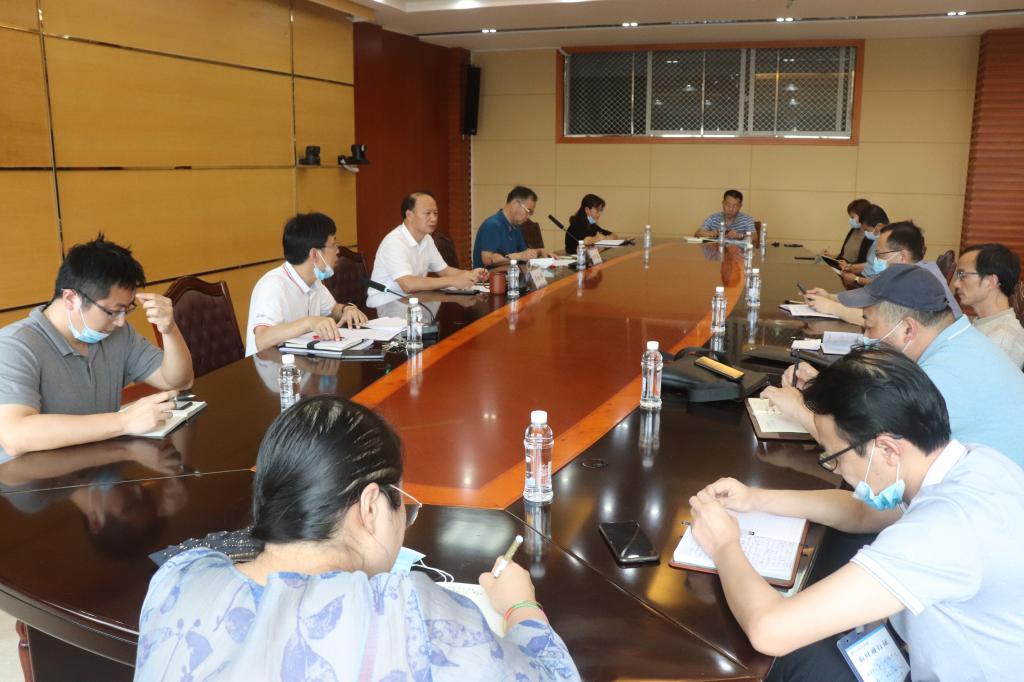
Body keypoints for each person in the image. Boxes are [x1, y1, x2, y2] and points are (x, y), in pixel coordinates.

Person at [135, 396, 580, 680]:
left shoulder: (179, 578)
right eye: (402, 502)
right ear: (370, 507)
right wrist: (521, 607)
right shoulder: (407, 611)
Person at [690, 349, 1024, 681]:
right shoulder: (972, 462)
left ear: (887, 449)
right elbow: (862, 513)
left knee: (784, 658)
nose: (836, 469)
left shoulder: (946, 528)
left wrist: (724, 545)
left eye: (834, 456)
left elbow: (770, 630)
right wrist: (755, 499)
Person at [766, 264, 1024, 468]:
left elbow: (867, 455)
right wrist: (821, 387)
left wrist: (800, 408)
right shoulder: (959, 342)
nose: (865, 337)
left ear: (908, 329)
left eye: (869, 326)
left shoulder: (943, 373)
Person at [0, 235, 194, 460]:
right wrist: (125, 421)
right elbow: (15, 435)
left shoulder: (115, 333)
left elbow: (178, 381)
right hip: (33, 477)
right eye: (112, 311)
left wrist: (170, 330)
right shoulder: (15, 345)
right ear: (71, 299)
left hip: (98, 466)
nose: (120, 321)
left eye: (126, 310)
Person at [245, 213, 367, 356]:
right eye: (334, 245)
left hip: (301, 360)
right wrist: (309, 323)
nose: (338, 251)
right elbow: (262, 339)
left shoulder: (314, 281)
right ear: (314, 254)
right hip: (271, 365)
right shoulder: (273, 285)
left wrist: (347, 309)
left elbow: (332, 309)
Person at [805, 221, 962, 324]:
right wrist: (829, 297)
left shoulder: (918, 281)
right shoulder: (903, 274)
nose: (876, 260)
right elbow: (870, 297)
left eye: (880, 254)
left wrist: (831, 307)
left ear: (902, 256)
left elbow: (880, 322)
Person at [367, 191, 488, 308]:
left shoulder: (427, 239)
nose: (433, 218)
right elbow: (408, 284)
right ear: (409, 215)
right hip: (386, 305)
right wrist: (453, 281)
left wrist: (470, 275)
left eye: (435, 213)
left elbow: (444, 271)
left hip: (413, 302)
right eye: (428, 213)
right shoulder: (395, 242)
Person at [953, 243, 1024, 367]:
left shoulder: (1002, 339)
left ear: (990, 282)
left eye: (963, 275)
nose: (956, 284)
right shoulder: (985, 323)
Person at [473, 186, 555, 268]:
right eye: (528, 211)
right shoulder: (492, 225)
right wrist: (519, 256)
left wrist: (540, 251)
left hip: (511, 273)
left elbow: (524, 253)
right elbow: (487, 259)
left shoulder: (515, 226)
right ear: (515, 204)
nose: (528, 217)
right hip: (491, 275)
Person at [839, 204, 888, 286]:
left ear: (879, 226)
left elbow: (882, 283)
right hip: (865, 282)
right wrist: (852, 268)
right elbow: (871, 264)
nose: (865, 234)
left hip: (871, 287)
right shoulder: (878, 239)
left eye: (867, 230)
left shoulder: (890, 245)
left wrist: (856, 279)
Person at [829, 198, 872, 265]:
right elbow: (845, 254)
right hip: (843, 268)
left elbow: (870, 265)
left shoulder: (871, 237)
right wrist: (830, 256)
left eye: (852, 217)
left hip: (854, 271)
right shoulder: (853, 230)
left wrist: (849, 266)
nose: (851, 220)